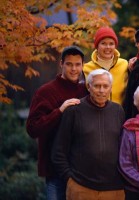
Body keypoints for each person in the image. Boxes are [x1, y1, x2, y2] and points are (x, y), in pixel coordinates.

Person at [51, 69, 125, 200]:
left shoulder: (118, 111)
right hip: (81, 187)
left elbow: (125, 148)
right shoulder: (74, 111)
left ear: (110, 88)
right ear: (88, 87)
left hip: (114, 189)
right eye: (97, 86)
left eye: (105, 86)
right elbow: (58, 150)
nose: (101, 90)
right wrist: (70, 180)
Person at [26, 46, 89, 200]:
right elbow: (32, 128)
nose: (73, 69)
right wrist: (59, 111)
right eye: (69, 64)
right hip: (54, 170)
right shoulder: (45, 92)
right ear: (61, 64)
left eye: (77, 64)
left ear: (82, 65)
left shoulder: (86, 90)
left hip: (81, 170)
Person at [83, 26, 128, 105]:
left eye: (111, 44)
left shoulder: (125, 65)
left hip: (120, 114)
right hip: (95, 114)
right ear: (97, 46)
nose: (108, 47)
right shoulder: (86, 68)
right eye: (103, 43)